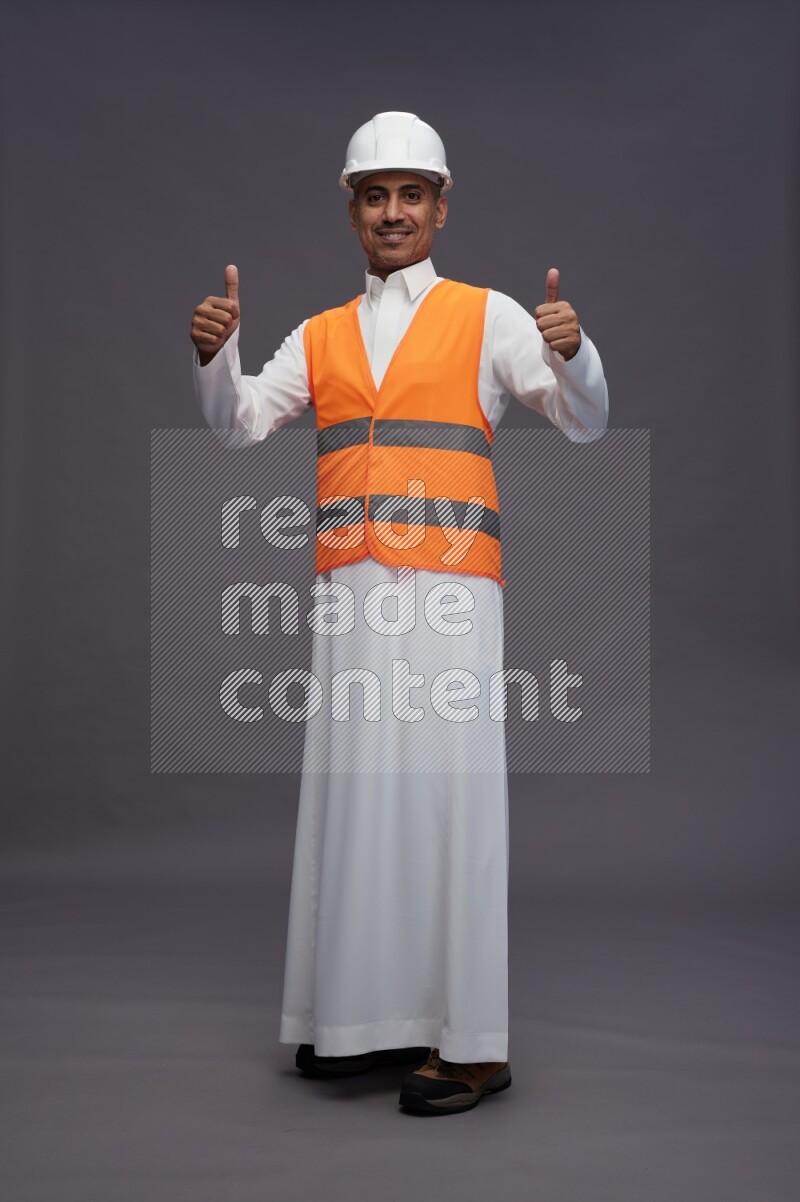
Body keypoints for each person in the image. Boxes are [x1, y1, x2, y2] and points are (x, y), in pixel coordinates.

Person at [191, 111, 609, 1116]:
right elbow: (239, 426)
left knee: (449, 803)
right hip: (350, 595)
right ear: (352, 212)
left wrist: (577, 352)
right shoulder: (319, 334)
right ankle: (356, 1022)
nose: (392, 212)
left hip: (451, 598)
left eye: (410, 194)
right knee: (356, 802)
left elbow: (584, 420)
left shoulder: (489, 316)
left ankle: (473, 1046)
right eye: (374, 195)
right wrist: (217, 356)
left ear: (439, 208)